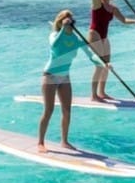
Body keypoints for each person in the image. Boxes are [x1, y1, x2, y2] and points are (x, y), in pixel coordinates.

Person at [38, 9, 101, 152]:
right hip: (50, 76)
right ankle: (40, 142)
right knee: (49, 110)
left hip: (65, 77)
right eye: (67, 22)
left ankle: (64, 141)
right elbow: (54, 45)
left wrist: (104, 64)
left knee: (67, 111)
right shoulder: (54, 35)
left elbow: (91, 55)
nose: (70, 24)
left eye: (72, 22)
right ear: (60, 23)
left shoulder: (76, 39)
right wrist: (63, 30)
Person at [88, 0, 135, 102]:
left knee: (107, 66)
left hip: (104, 37)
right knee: (99, 66)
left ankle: (102, 92)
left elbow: (124, 20)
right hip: (94, 34)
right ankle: (93, 95)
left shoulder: (113, 8)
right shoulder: (97, 2)